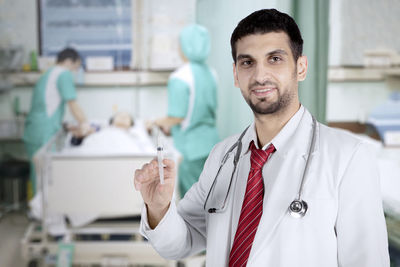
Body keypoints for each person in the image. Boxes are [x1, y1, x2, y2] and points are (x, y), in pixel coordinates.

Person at [134, 9, 390, 267]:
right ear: (236, 75)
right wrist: (158, 208)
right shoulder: (222, 156)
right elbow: (182, 241)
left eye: (275, 59)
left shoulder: (349, 157)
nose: (259, 76)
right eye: (247, 62)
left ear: (300, 68)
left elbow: (367, 261)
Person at [149, 24, 219, 197]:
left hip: (191, 149)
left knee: (192, 200)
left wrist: (156, 122)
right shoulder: (211, 73)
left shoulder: (180, 77)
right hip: (212, 144)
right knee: (209, 196)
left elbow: (177, 116)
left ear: (185, 47)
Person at [23, 47, 91, 195]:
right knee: (45, 175)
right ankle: (44, 214)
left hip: (35, 129)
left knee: (38, 174)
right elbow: (72, 103)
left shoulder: (47, 74)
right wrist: (85, 124)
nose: (76, 71)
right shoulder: (63, 73)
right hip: (43, 132)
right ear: (68, 61)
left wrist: (66, 125)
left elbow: (48, 105)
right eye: (76, 66)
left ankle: (39, 211)